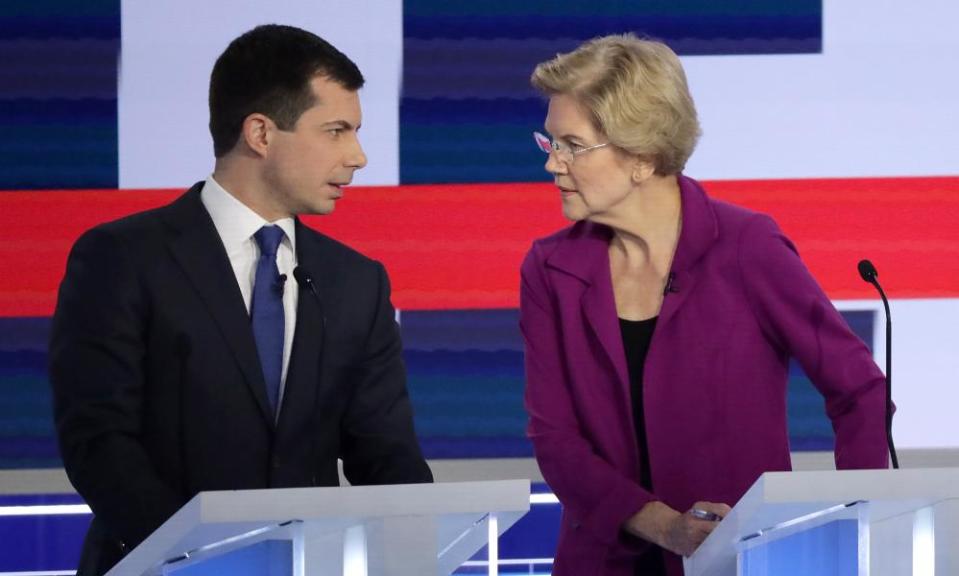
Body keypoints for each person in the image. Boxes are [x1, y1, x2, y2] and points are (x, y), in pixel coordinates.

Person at [49, 24, 432, 575]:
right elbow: (99, 441)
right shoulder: (122, 258)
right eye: (336, 131)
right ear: (260, 133)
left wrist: (414, 548)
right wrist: (202, 562)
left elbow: (386, 453)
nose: (358, 156)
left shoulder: (357, 282)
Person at [520, 34, 888, 576]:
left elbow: (859, 390)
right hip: (600, 562)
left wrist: (851, 527)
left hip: (736, 560)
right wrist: (661, 523)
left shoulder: (747, 247)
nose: (554, 164)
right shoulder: (550, 268)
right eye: (550, 142)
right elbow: (555, 439)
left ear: (641, 156)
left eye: (572, 145)